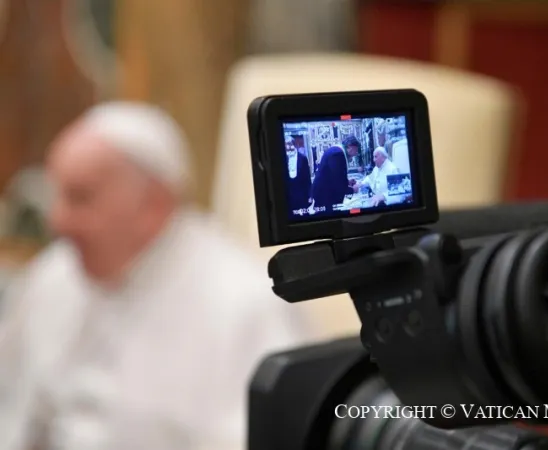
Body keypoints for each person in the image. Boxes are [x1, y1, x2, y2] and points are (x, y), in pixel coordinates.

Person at [0, 102, 316, 450]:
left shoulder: (243, 301)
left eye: (80, 198)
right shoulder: (54, 275)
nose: (57, 221)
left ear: (152, 205)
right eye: (56, 195)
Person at [285, 136, 311, 212]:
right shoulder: (284, 158)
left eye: (290, 145)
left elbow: (307, 179)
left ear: (295, 145)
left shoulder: (302, 158)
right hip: (289, 196)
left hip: (302, 194)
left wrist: (310, 195)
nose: (288, 147)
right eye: (286, 145)